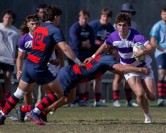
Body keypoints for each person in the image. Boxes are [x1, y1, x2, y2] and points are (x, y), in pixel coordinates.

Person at [0, 5, 83, 126]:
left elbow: (39, 49)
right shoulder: (55, 30)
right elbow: (64, 48)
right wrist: (78, 62)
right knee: (58, 93)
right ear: (56, 17)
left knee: (18, 93)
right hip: (39, 68)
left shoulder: (38, 28)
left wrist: (50, 60)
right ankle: (35, 111)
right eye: (59, 17)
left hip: (28, 65)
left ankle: (2, 115)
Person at [17, 46, 150, 121]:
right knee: (56, 97)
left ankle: (43, 111)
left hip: (73, 76)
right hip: (70, 74)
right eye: (118, 51)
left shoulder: (106, 60)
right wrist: (140, 69)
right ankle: (27, 109)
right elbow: (121, 68)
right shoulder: (108, 58)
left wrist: (133, 70)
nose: (119, 53)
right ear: (113, 51)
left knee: (69, 98)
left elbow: (119, 71)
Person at [85, 12, 156, 123]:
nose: (122, 27)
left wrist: (143, 51)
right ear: (116, 25)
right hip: (129, 69)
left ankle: (145, 86)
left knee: (152, 97)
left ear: (129, 26)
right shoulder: (113, 36)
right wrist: (93, 57)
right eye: (119, 25)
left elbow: (151, 48)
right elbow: (105, 45)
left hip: (144, 66)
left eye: (124, 25)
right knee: (140, 94)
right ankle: (147, 116)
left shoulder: (136, 36)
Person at [16, 14, 62, 122]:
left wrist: (55, 61)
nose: (35, 26)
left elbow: (54, 49)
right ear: (28, 25)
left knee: (50, 94)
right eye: (32, 24)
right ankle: (28, 113)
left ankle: (29, 110)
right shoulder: (24, 39)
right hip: (32, 69)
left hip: (45, 68)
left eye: (37, 23)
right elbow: (20, 57)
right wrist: (19, 70)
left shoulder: (45, 34)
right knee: (27, 92)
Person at [112, 2, 139, 107]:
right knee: (118, 77)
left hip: (130, 55)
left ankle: (129, 101)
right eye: (126, 12)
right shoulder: (116, 25)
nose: (128, 14)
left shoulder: (134, 25)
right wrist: (115, 54)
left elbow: (135, 40)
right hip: (118, 53)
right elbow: (112, 41)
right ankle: (115, 100)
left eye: (130, 12)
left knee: (129, 76)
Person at [89, 8, 115, 107]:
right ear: (101, 16)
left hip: (103, 57)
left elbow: (112, 43)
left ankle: (97, 100)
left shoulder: (111, 28)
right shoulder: (93, 25)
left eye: (108, 16)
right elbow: (90, 40)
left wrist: (111, 53)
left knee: (99, 77)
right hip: (92, 55)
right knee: (86, 78)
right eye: (104, 16)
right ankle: (82, 100)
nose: (105, 18)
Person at [68, 9, 95, 106]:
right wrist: (84, 43)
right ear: (79, 18)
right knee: (74, 78)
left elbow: (92, 43)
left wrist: (84, 44)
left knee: (84, 78)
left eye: (86, 18)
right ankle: (72, 100)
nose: (84, 20)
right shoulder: (74, 28)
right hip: (75, 57)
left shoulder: (90, 29)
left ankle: (82, 99)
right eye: (82, 18)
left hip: (85, 57)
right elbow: (75, 43)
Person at [0, 9, 20, 102]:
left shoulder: (16, 32)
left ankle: (7, 100)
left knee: (7, 79)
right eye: (6, 17)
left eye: (10, 17)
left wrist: (17, 57)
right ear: (3, 18)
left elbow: (19, 47)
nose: (7, 19)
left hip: (9, 59)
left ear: (13, 19)